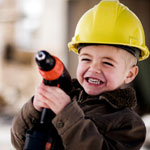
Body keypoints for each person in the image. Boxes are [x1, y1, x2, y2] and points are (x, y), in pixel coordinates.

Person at [11, 0, 150, 150]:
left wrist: (67, 114)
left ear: (130, 74)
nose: (94, 68)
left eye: (107, 63)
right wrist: (34, 108)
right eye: (86, 59)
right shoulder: (66, 97)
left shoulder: (129, 124)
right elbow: (19, 141)